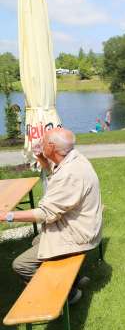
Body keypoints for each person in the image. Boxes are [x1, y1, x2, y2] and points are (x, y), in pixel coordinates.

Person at [0, 128, 103, 304]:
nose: (40, 141)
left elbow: (45, 214)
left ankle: (69, 294)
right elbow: (55, 174)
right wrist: (41, 158)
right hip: (84, 226)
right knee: (37, 241)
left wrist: (7, 216)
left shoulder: (71, 174)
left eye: (44, 139)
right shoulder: (74, 158)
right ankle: (75, 279)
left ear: (52, 146)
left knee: (21, 265)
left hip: (80, 236)